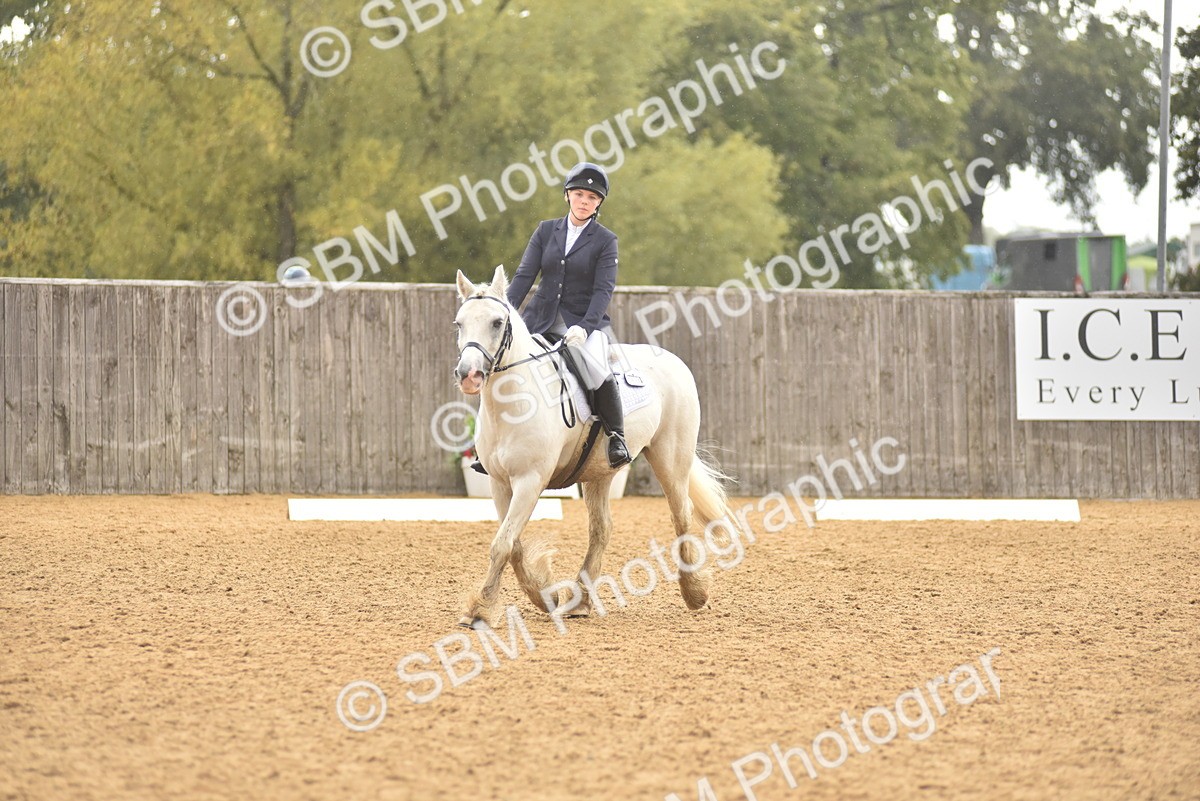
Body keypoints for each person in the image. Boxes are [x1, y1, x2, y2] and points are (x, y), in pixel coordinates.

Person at [506, 161, 632, 468]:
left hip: (581, 322)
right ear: (567, 195)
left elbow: (603, 291)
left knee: (596, 369)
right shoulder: (546, 230)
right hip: (539, 320)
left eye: (592, 197)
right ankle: (489, 443)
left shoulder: (605, 240)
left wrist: (586, 327)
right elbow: (524, 276)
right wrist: (505, 312)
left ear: (599, 203)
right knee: (504, 366)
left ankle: (616, 436)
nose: (584, 201)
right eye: (579, 194)